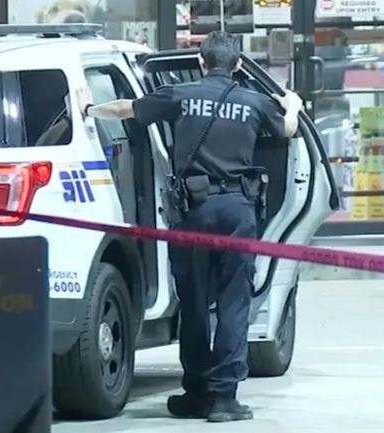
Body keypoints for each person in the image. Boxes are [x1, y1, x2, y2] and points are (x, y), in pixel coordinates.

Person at [77, 31, 303, 423]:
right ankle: (224, 398)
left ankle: (196, 392)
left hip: (193, 212)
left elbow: (126, 109)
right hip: (238, 211)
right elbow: (288, 130)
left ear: (201, 61)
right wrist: (293, 104)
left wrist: (89, 108)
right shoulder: (253, 101)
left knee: (194, 303)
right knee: (233, 303)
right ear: (237, 65)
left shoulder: (180, 95)